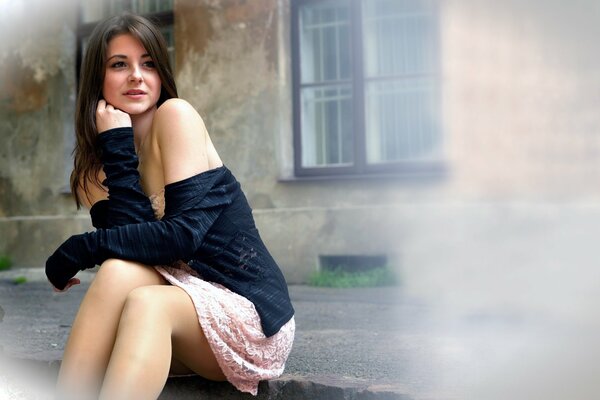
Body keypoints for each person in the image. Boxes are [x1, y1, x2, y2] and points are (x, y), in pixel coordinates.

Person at [45, 13, 295, 400]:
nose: (136, 76)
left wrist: (79, 248)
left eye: (148, 63)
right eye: (118, 65)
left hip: (247, 312)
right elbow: (136, 254)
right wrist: (118, 150)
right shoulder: (92, 175)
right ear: (97, 78)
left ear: (162, 73)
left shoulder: (176, 116)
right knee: (118, 272)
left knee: (147, 302)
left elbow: (179, 240)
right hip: (179, 305)